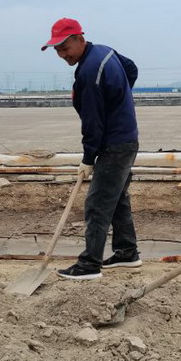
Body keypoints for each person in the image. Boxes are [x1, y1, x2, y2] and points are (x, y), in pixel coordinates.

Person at [41, 17, 141, 280]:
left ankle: (90, 264)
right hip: (127, 138)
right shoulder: (104, 51)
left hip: (114, 144)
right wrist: (119, 101)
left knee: (97, 203)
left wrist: (88, 157)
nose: (62, 55)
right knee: (117, 198)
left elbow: (93, 122)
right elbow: (131, 69)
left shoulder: (89, 72)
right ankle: (127, 252)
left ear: (80, 39)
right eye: (57, 50)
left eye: (65, 48)